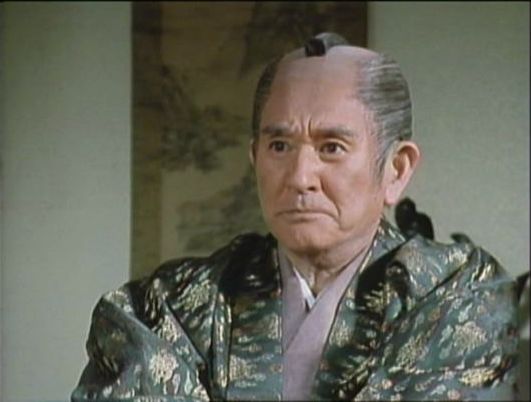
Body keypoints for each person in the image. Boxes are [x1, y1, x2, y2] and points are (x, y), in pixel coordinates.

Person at [72, 32, 520, 401]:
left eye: (332, 147)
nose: (300, 177)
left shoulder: (458, 291)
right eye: (280, 146)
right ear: (255, 157)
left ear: (396, 169)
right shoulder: (169, 304)